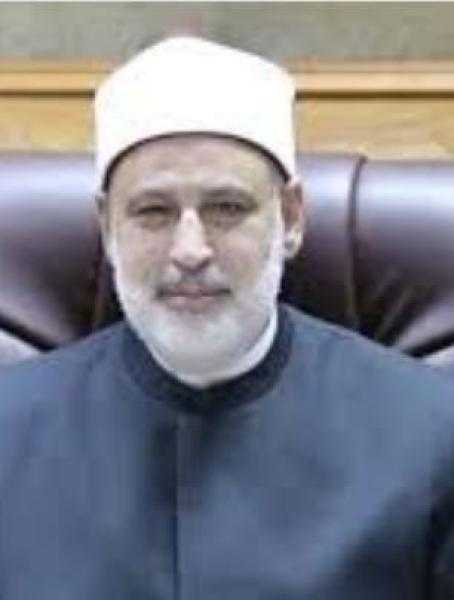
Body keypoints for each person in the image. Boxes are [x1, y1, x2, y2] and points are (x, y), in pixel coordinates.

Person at [0, 36, 454, 600]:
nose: (190, 250)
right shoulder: (8, 427)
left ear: (291, 218)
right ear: (107, 227)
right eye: (153, 212)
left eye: (227, 209)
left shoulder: (434, 434)